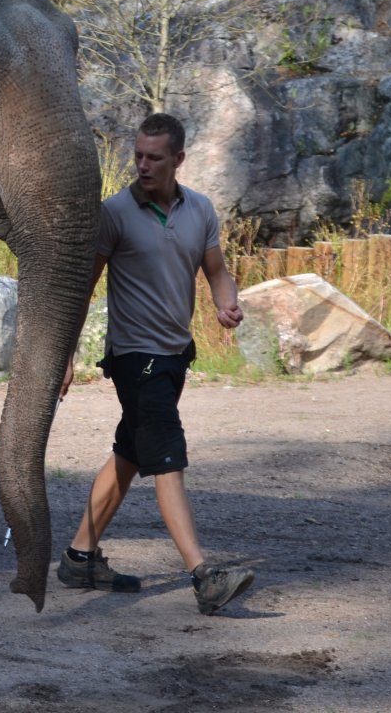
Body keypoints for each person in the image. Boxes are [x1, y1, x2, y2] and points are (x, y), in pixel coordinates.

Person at [57, 112, 255, 616]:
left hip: (175, 354)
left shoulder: (200, 210)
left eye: (154, 158)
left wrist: (226, 303)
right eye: (138, 156)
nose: (142, 166)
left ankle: (80, 557)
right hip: (134, 357)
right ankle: (203, 575)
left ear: (178, 159)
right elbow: (82, 289)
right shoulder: (114, 214)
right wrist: (65, 354)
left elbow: (217, 271)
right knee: (166, 454)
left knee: (131, 451)